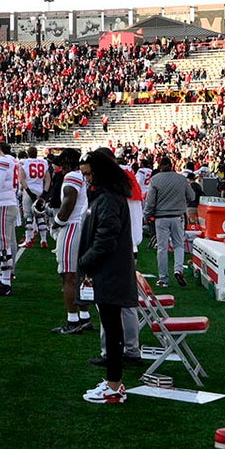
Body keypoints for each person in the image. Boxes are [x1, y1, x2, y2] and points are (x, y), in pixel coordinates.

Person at [77, 150, 136, 404]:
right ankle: (113, 381)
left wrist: (86, 261)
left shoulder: (109, 198)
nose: (87, 179)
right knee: (111, 328)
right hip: (109, 270)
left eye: (90, 174)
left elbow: (106, 238)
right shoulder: (107, 196)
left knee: (112, 329)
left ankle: (114, 384)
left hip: (110, 271)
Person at [50, 148, 92, 334]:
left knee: (68, 275)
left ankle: (73, 320)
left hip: (73, 227)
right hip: (84, 226)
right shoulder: (82, 176)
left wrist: (57, 223)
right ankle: (84, 317)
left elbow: (69, 201)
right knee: (80, 275)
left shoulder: (72, 177)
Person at [144, 157, 189, 288]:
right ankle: (178, 269)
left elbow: (150, 202)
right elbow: (191, 196)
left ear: (159, 166)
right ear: (172, 165)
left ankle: (163, 279)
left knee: (162, 248)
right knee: (179, 245)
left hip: (161, 218)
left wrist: (146, 215)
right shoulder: (181, 179)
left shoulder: (155, 180)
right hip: (177, 216)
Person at [0, 141, 20, 295]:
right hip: (7, 202)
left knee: (2, 243)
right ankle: (1, 278)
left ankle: (6, 282)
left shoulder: (1, 160)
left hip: (3, 204)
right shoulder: (11, 160)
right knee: (0, 243)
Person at [19, 146, 52, 248]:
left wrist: (29, 192)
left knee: (29, 216)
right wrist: (44, 193)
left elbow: (22, 179)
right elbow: (48, 179)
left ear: (28, 154)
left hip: (29, 190)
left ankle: (28, 240)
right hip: (40, 190)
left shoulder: (24, 163)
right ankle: (43, 240)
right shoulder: (43, 162)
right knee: (40, 216)